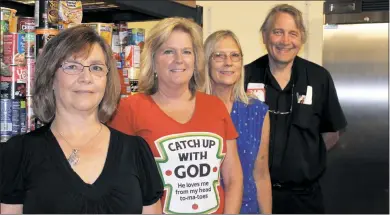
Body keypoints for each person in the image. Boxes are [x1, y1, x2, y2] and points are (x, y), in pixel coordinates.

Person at [0, 25, 163, 214]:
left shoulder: (136, 151)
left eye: (96, 67)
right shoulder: (18, 153)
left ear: (107, 79)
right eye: (72, 67)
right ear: (51, 77)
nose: (86, 77)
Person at [108, 17, 243, 214]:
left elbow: (233, 178)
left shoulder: (215, 106)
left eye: (187, 52)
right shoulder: (130, 109)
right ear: (153, 59)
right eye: (169, 51)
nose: (179, 59)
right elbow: (116, 183)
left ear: (196, 59)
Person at [244, 4, 348, 214]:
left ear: (301, 39)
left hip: (304, 199)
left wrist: (303, 158)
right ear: (264, 36)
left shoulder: (319, 78)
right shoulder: (244, 77)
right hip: (254, 195)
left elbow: (331, 134)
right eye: (277, 32)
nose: (285, 41)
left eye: (293, 33)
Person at [203, 30, 272, 214]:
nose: (228, 62)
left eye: (235, 55)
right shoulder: (193, 109)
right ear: (206, 62)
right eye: (219, 56)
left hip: (247, 208)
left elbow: (261, 175)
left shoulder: (257, 111)